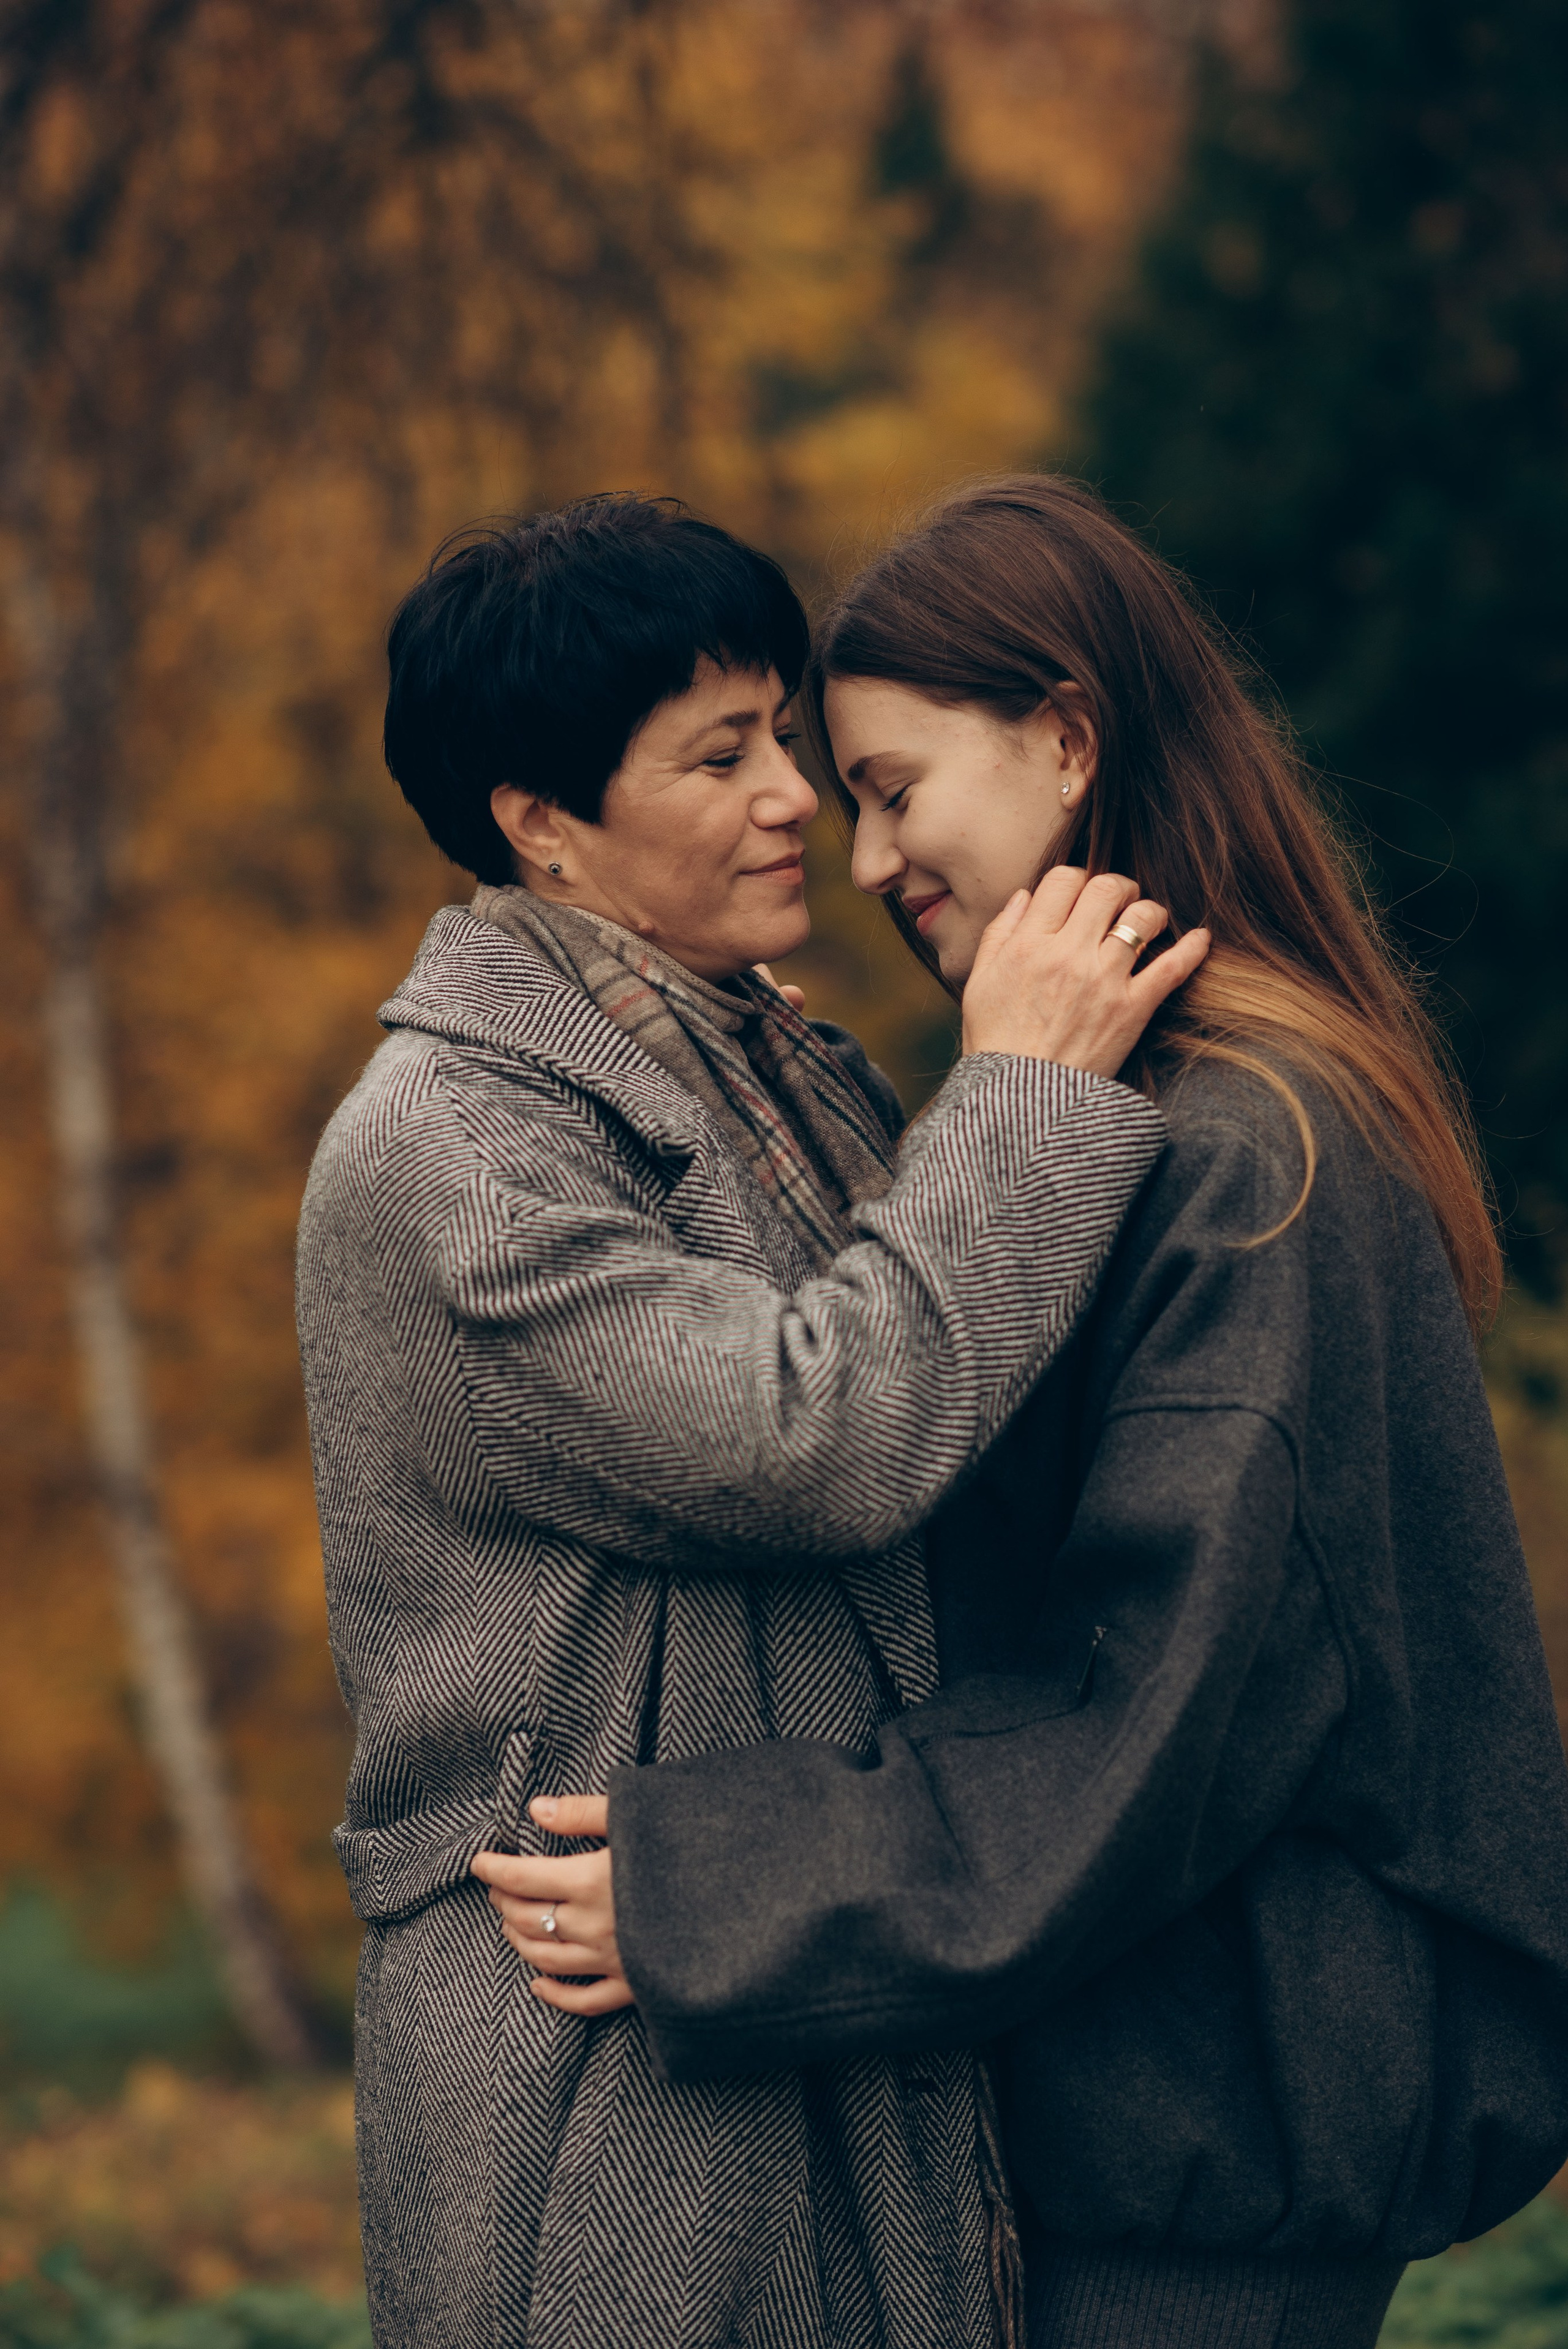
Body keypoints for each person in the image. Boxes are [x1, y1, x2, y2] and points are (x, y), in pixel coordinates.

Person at [507, 477, 1568, 2349]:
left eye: (894, 789)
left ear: (1067, 740)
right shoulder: (1157, 1129)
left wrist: (719, 1882)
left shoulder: (1252, 1157)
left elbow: (1149, 1713)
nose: (862, 859)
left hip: (1201, 2198)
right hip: (1137, 2147)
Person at [295, 491, 1208, 2349]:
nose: (798, 793)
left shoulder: (769, 1057)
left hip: (785, 1958)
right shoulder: (453, 1148)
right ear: (541, 827)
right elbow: (819, 1432)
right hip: (598, 2061)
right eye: (721, 756)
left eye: (782, 732)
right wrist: (1023, 1089)